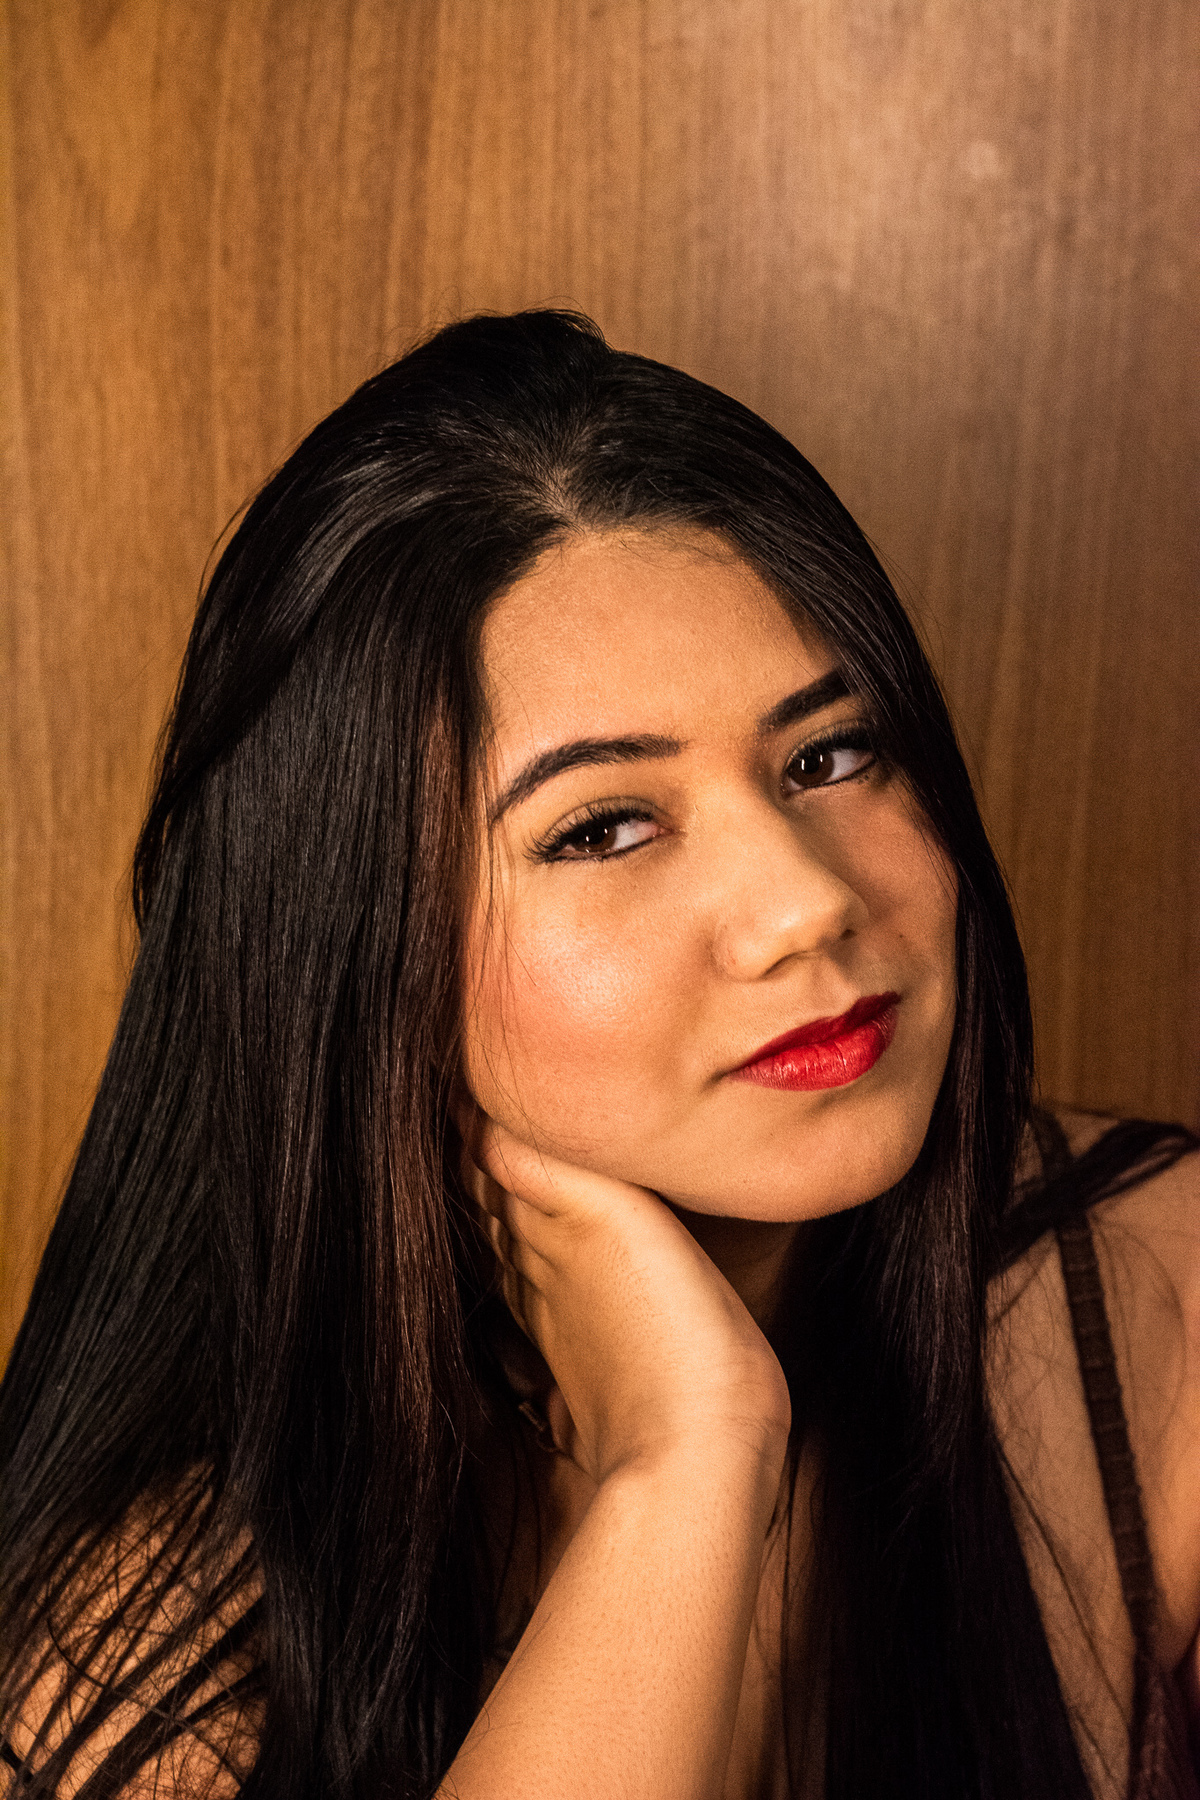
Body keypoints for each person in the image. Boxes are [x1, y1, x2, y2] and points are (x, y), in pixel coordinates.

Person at [0, 309, 1196, 1800]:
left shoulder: (1157, 1296)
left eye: (829, 755)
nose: (806, 903)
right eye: (604, 828)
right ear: (356, 960)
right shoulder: (146, 1635)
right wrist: (688, 1461)